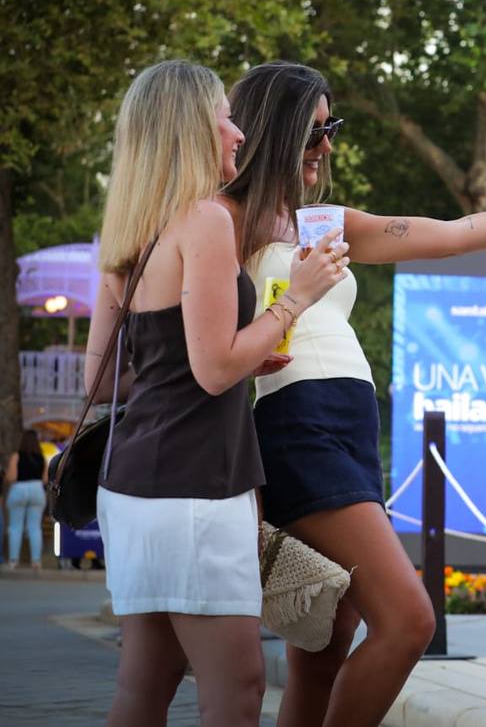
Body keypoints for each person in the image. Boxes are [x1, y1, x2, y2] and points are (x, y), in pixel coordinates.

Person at [222, 61, 486, 727]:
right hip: (297, 425)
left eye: (331, 128)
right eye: (313, 132)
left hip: (350, 428)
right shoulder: (224, 221)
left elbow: (453, 234)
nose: (327, 146)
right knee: (409, 620)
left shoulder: (320, 221)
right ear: (274, 131)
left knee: (324, 647)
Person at [86, 60, 348, 727]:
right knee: (236, 691)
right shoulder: (204, 220)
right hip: (197, 486)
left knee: (143, 688)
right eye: (223, 119)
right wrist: (296, 300)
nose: (237, 134)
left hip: (132, 487)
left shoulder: (129, 232)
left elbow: (103, 380)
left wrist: (226, 354)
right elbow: (213, 371)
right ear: (187, 130)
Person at [5, 429, 47, 570]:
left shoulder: (16, 456)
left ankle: (13, 560)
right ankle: (36, 561)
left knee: (15, 527)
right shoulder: (42, 458)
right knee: (35, 528)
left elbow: (12, 477)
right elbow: (45, 479)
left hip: (19, 489)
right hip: (37, 489)